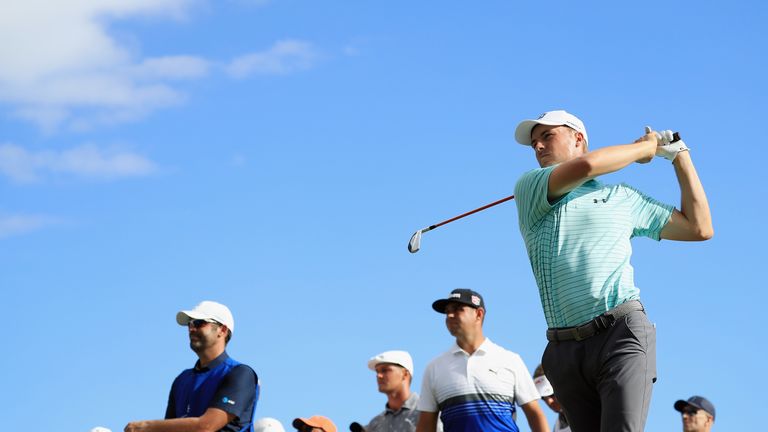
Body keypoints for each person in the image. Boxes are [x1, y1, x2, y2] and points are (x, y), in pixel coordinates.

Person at [513, 110, 713, 432]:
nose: (537, 146)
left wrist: (679, 156)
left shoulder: (622, 197)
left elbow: (699, 227)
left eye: (547, 136)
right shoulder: (530, 188)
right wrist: (645, 148)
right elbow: (588, 166)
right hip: (563, 351)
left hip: (620, 334)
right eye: (533, 142)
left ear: (578, 139)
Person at [416, 288, 549, 432]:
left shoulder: (510, 360)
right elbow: (425, 425)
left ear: (478, 314)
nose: (450, 315)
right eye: (447, 311)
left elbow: (535, 414)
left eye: (457, 309)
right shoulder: (434, 368)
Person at [125, 301, 259, 432]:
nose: (191, 329)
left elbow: (206, 426)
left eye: (199, 323)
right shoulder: (182, 380)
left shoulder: (240, 374)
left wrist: (144, 427)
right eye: (189, 324)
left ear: (222, 330)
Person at [358, 350, 428, 432]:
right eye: (377, 371)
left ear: (405, 374)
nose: (379, 375)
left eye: (385, 370)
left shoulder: (427, 411)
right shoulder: (375, 424)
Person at [532, 365, 570, 432]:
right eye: (543, 398)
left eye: (552, 395)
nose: (549, 401)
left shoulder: (589, 410)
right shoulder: (557, 427)